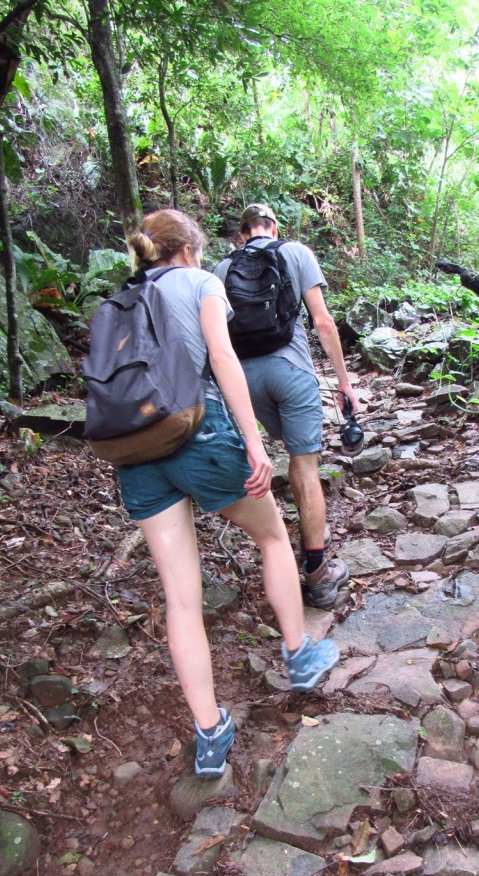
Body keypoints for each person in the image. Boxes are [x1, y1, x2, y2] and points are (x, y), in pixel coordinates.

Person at [116, 209, 340, 778]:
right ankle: (300, 656)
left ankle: (210, 735)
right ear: (190, 249)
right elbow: (222, 357)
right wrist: (253, 438)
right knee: (271, 537)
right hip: (201, 434)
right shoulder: (202, 281)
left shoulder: (122, 298)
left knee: (180, 598)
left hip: (137, 448)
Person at [214, 203, 359, 610]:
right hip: (291, 371)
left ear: (242, 233)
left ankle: (307, 534)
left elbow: (214, 340)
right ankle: (317, 574)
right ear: (274, 227)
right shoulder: (296, 253)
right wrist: (343, 382)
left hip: (245, 384)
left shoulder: (221, 270)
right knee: (305, 464)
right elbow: (323, 322)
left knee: (291, 455)